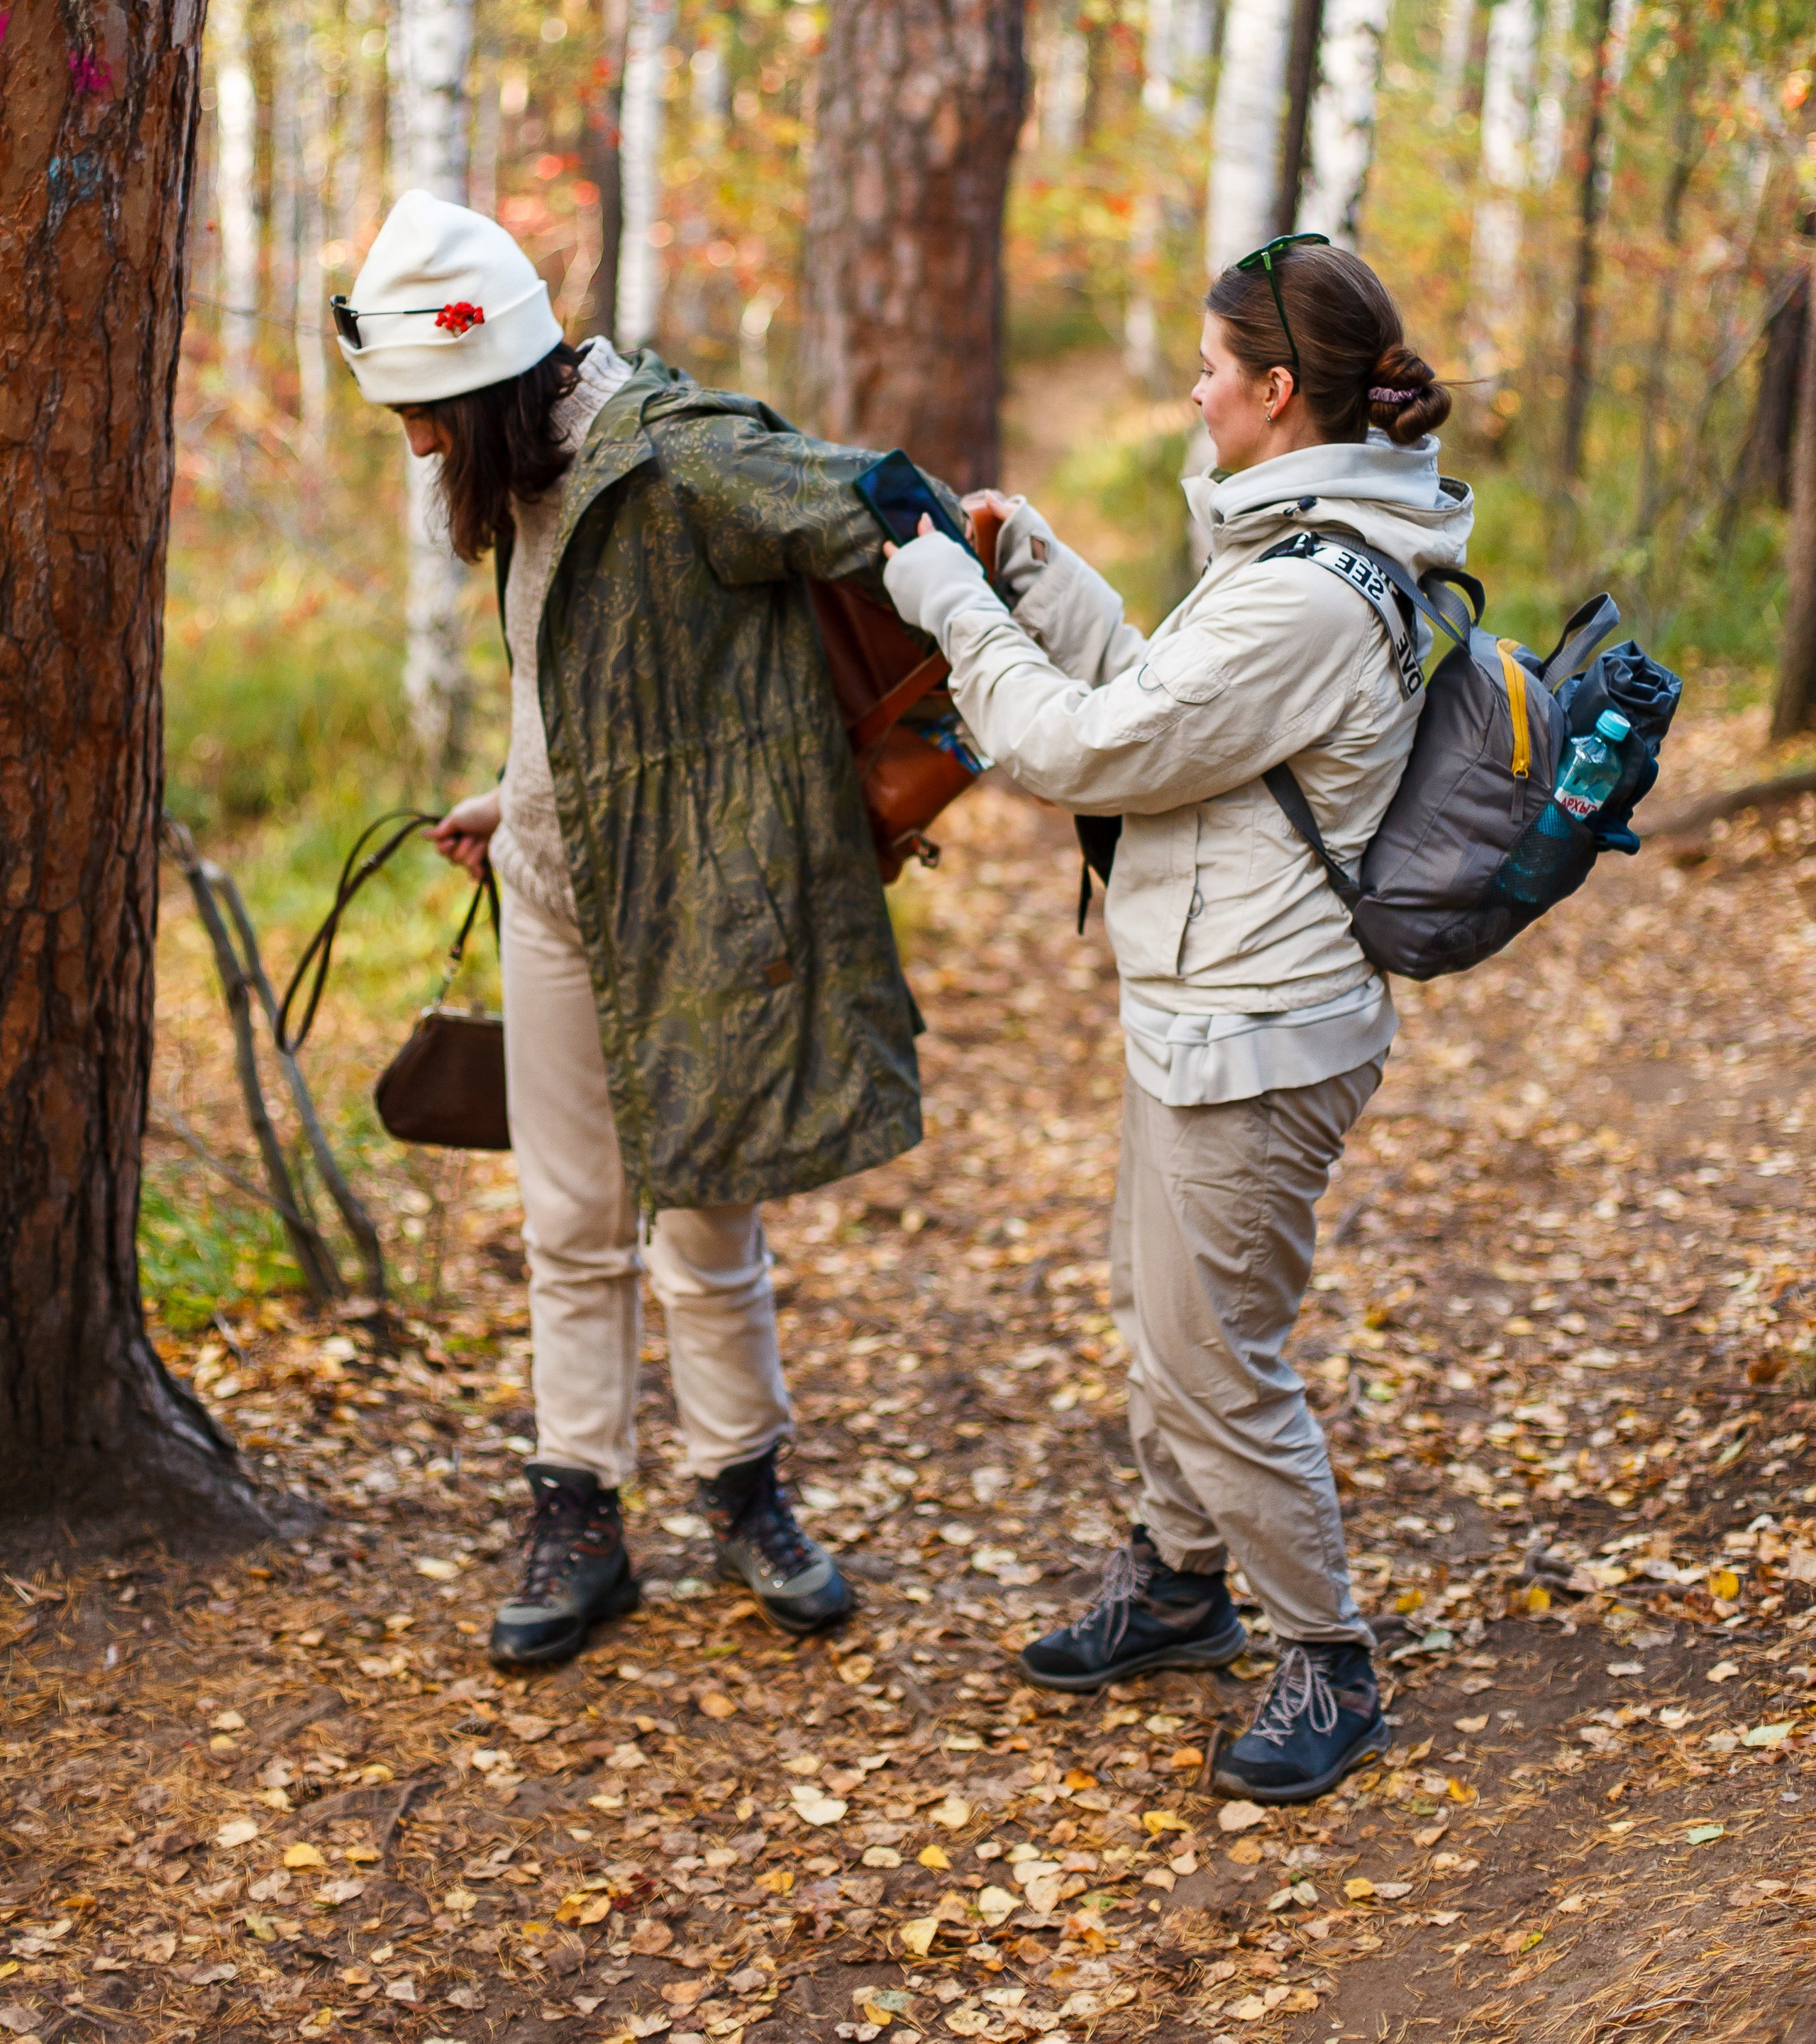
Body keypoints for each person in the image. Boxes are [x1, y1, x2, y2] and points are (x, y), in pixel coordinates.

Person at [882, 236, 1472, 1804]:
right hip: (1214, 1009)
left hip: (1255, 1030)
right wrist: (1033, 570)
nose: (1192, 389)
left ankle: (1324, 1656)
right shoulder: (1309, 544)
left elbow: (1083, 749)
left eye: (1212, 366)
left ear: (1277, 393)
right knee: (1170, 1316)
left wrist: (942, 593)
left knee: (1215, 1355)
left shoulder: (1309, 591)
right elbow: (1170, 704)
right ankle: (1178, 1582)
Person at [336, 189, 929, 1667]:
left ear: (488, 386)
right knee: (569, 1227)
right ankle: (577, 1513)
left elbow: (900, 519)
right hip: (546, 889)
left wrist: (921, 765)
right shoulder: (510, 469)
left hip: (692, 910)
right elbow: (576, 683)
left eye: (424, 413)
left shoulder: (684, 458)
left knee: (707, 1215)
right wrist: (512, 797)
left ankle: (745, 1494)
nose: (414, 445)